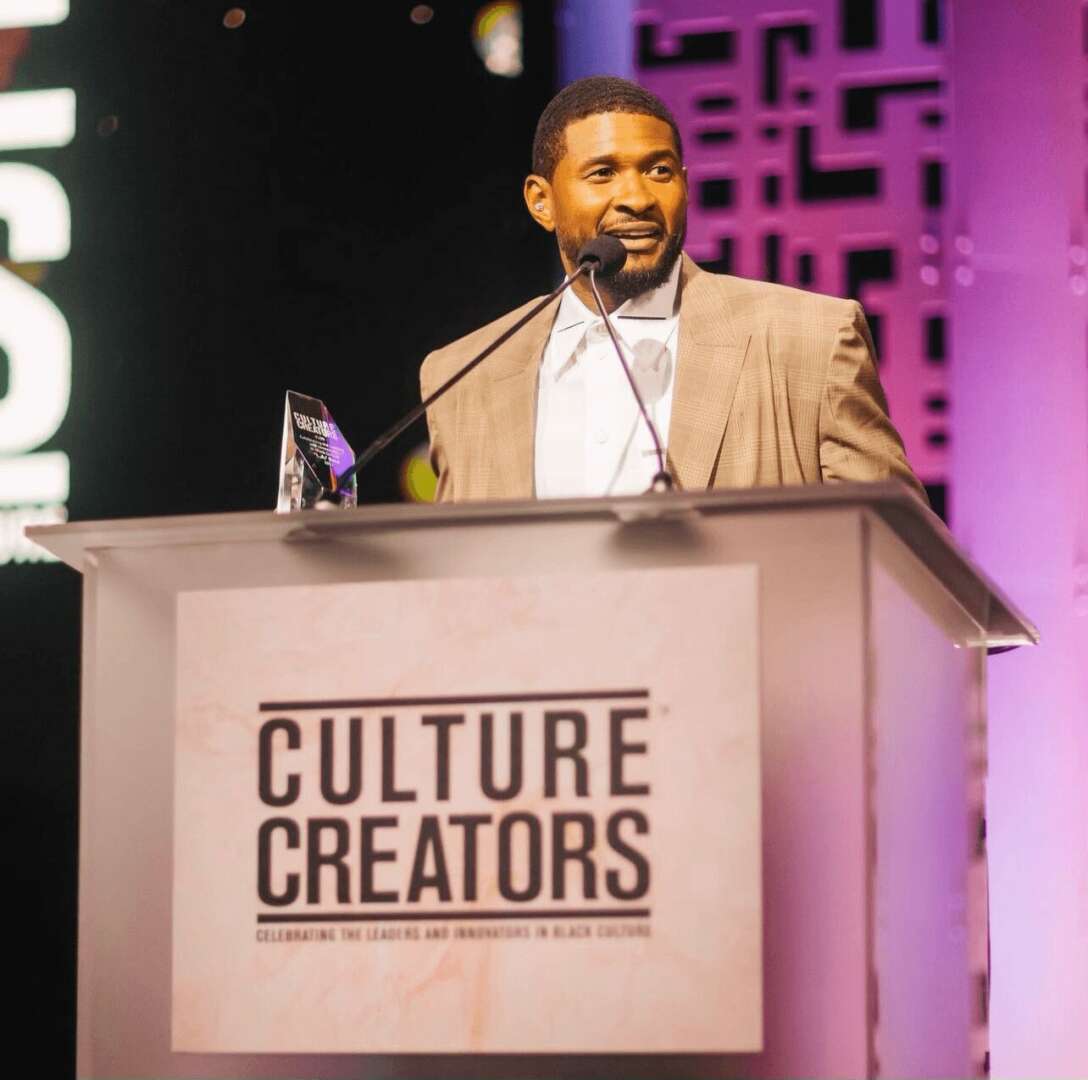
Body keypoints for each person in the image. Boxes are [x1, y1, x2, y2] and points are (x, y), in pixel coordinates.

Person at [420, 75, 926, 505]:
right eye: (603, 173)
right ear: (541, 202)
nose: (637, 198)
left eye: (658, 171)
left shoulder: (811, 340)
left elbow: (900, 557)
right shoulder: (465, 377)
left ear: (685, 185)